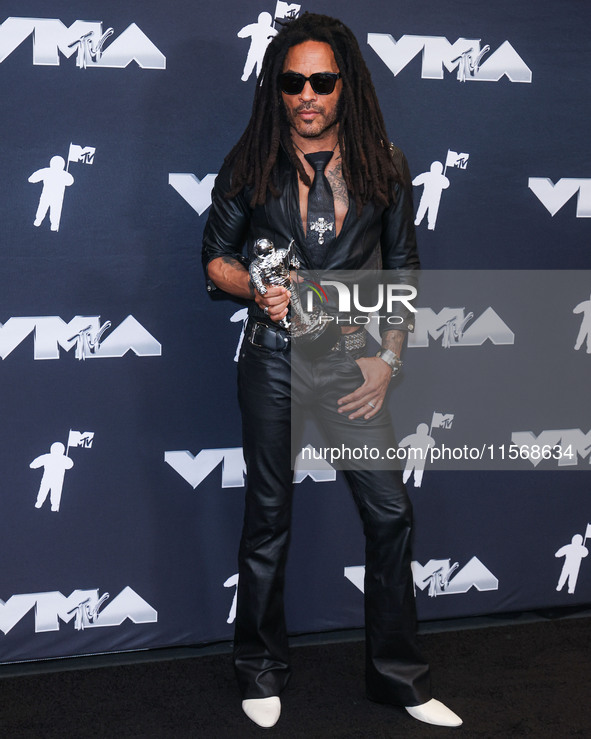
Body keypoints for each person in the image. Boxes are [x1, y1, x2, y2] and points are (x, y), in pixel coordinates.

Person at [202, 12, 462, 729]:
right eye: (292, 81)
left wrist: (389, 360)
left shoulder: (385, 163)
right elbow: (214, 258)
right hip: (274, 359)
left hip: (353, 361)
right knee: (267, 518)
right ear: (276, 89)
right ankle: (259, 667)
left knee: (389, 514)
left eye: (320, 79)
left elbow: (404, 265)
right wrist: (253, 287)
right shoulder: (250, 160)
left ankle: (399, 678)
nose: (306, 94)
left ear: (344, 84)